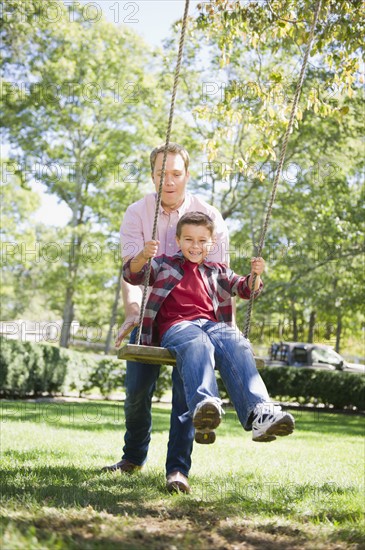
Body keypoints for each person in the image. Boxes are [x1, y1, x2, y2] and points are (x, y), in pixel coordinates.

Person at [102, 143, 230, 494]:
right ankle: (132, 457)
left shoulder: (209, 215)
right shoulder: (137, 213)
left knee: (186, 397)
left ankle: (177, 470)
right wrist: (132, 311)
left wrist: (224, 331)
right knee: (136, 392)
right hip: (149, 316)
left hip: (193, 321)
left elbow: (221, 278)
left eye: (176, 173)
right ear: (151, 175)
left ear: (187, 175)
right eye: (161, 173)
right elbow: (130, 271)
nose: (169, 181)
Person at [123, 211, 295, 447]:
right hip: (177, 327)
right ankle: (206, 405)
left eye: (202, 241)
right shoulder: (163, 263)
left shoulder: (219, 271)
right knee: (197, 341)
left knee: (237, 341)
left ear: (212, 242)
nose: (195, 246)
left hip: (213, 327)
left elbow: (245, 289)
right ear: (177, 240)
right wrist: (143, 255)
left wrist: (254, 276)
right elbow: (132, 275)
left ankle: (260, 415)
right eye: (189, 240)